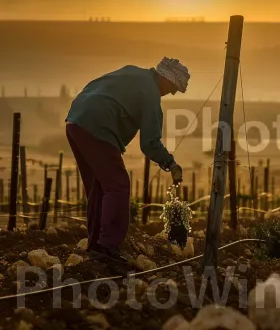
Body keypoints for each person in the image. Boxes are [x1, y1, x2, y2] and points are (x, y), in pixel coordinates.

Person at [65, 57, 189, 265]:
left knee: (99, 187)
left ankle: (96, 245)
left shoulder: (133, 72)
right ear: (166, 79)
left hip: (76, 122)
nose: (173, 92)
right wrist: (171, 163)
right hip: (98, 128)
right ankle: (107, 246)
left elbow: (96, 86)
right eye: (175, 87)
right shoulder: (150, 94)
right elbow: (149, 143)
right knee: (118, 185)